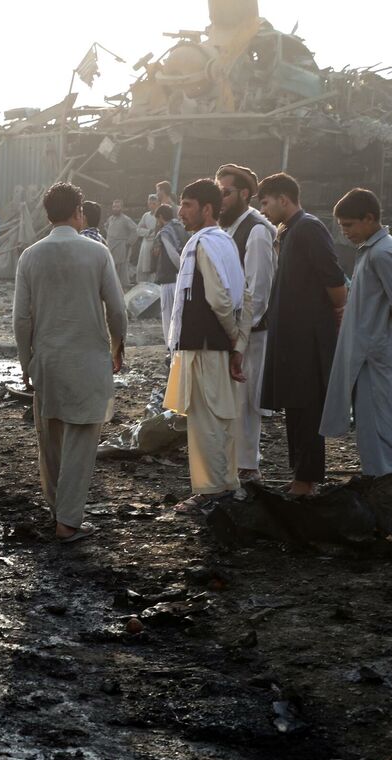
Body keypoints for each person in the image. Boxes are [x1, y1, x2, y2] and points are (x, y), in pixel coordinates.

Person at [14, 182, 127, 541]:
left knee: (50, 439)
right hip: (88, 360)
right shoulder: (97, 253)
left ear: (48, 214)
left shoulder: (30, 256)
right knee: (81, 440)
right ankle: (68, 520)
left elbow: (21, 319)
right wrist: (118, 347)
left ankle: (57, 509)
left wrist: (25, 363)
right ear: (79, 212)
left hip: (47, 360)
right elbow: (117, 310)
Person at [163, 179, 253, 515]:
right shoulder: (224, 242)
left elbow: (220, 299)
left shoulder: (204, 243)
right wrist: (237, 343)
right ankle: (226, 485)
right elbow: (245, 297)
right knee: (221, 419)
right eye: (181, 204)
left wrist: (232, 338)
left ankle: (211, 492)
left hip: (205, 348)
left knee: (206, 423)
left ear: (207, 208)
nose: (180, 212)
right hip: (216, 347)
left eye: (187, 205)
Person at [258, 172, 348, 496]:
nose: (264, 211)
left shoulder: (309, 227)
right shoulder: (289, 230)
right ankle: (300, 475)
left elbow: (334, 280)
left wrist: (337, 312)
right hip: (291, 338)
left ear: (284, 199)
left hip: (308, 339)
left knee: (308, 409)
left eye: (266, 203)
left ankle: (306, 480)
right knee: (294, 408)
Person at [321, 189, 392, 477]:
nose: (345, 232)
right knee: (369, 421)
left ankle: (381, 482)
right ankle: (378, 479)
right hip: (368, 349)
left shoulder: (382, 252)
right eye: (342, 226)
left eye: (349, 225)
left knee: (378, 420)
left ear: (369, 218)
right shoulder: (373, 248)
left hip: (375, 352)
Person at [217, 164, 277, 481]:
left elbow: (259, 292)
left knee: (247, 400)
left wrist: (239, 335)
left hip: (251, 333)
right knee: (232, 399)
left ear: (244, 194)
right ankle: (234, 464)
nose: (220, 199)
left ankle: (248, 466)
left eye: (225, 193)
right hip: (233, 331)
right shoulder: (229, 229)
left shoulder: (256, 231)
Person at [153, 204, 189, 352]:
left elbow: (172, 254)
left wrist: (182, 269)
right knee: (181, 315)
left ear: (161, 217)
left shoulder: (165, 232)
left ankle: (172, 349)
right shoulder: (181, 227)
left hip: (170, 278)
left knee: (169, 316)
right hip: (182, 278)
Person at [105, 199, 139, 289]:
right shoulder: (111, 218)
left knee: (121, 271)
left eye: (117, 207)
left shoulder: (126, 219)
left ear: (122, 208)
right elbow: (106, 227)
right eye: (114, 207)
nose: (115, 208)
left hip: (121, 247)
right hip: (110, 246)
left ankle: (124, 289)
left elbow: (135, 231)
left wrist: (128, 243)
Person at [136, 194, 159, 283]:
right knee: (141, 267)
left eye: (154, 204)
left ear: (157, 204)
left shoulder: (159, 216)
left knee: (152, 267)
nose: (152, 206)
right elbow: (138, 229)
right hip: (145, 243)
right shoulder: (146, 215)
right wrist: (148, 231)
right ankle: (141, 284)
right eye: (150, 204)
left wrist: (153, 233)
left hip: (155, 243)